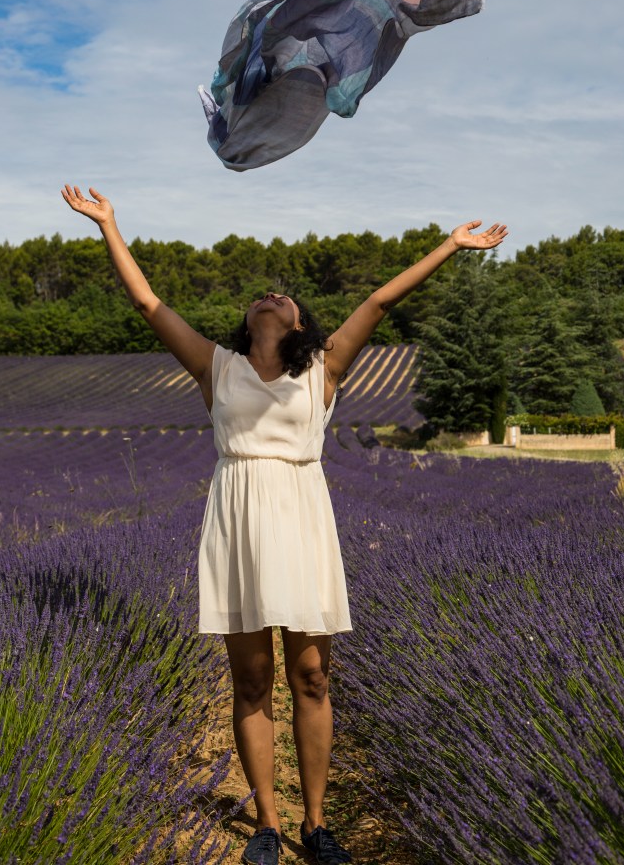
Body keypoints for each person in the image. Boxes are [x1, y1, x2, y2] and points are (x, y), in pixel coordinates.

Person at [61, 185, 507, 865]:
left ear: (301, 324)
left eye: (285, 297)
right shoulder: (217, 367)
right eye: (262, 296)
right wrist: (109, 226)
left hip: (301, 516)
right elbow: (147, 303)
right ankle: (268, 822)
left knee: (311, 679)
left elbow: (380, 302)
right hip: (237, 518)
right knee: (248, 680)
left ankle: (316, 824)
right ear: (248, 320)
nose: (272, 296)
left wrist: (450, 246)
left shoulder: (323, 371)